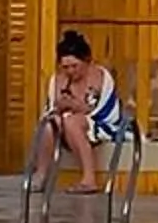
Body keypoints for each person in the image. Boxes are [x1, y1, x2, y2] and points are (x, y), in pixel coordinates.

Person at [36, 29, 126, 194]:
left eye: (75, 66)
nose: (70, 71)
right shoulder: (57, 80)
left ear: (87, 61)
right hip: (66, 121)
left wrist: (77, 107)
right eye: (66, 67)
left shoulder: (100, 77)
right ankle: (41, 175)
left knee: (72, 122)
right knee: (49, 125)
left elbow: (102, 110)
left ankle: (89, 179)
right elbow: (51, 109)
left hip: (98, 123)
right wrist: (59, 107)